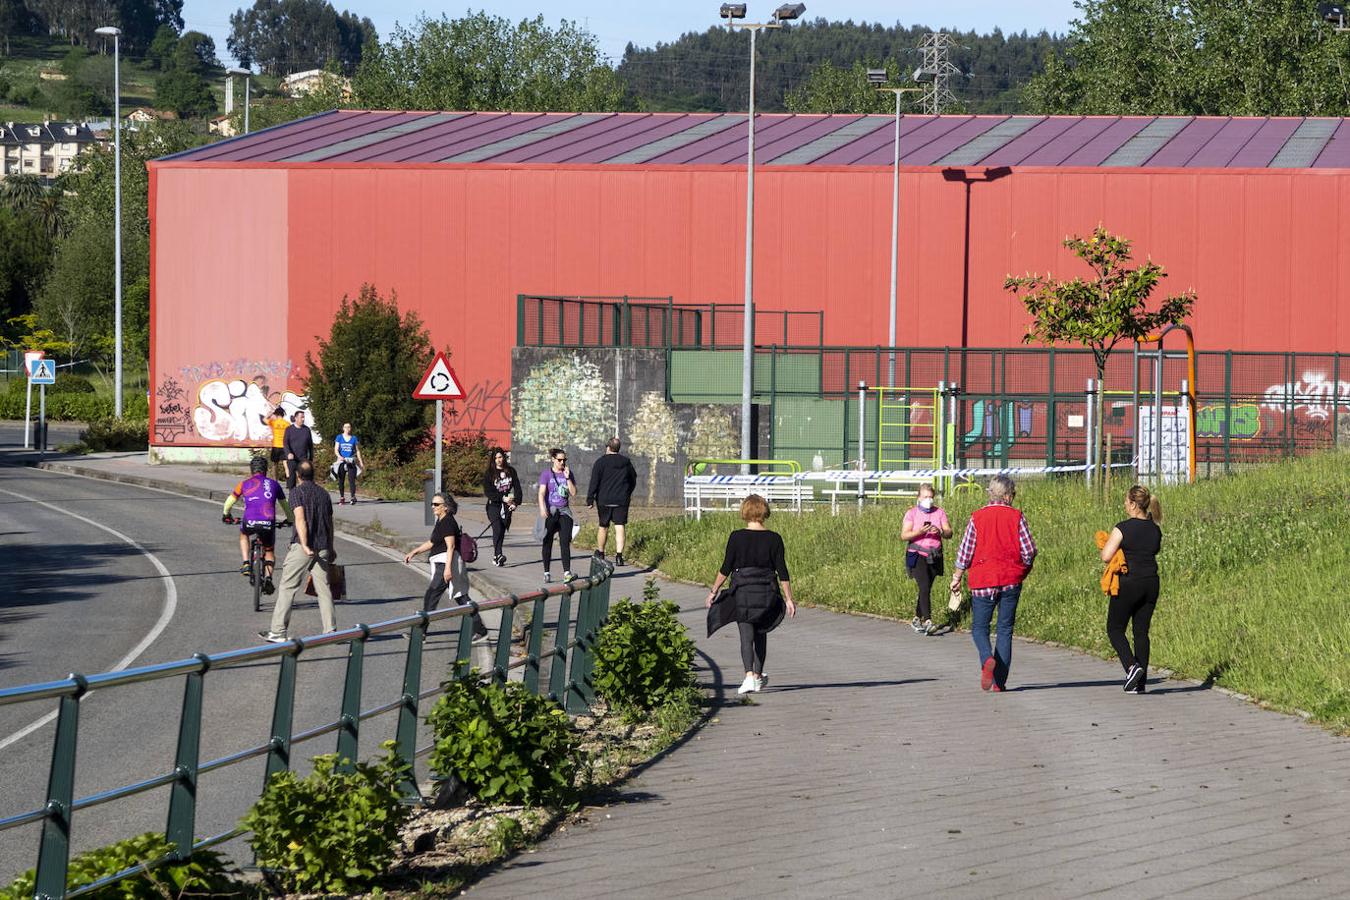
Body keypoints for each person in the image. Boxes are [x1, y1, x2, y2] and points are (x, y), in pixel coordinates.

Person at [950, 475, 1037, 692]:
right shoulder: (1017, 517)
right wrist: (1023, 570)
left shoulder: (977, 517)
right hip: (1010, 579)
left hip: (982, 580)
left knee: (979, 628)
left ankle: (987, 658)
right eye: (1014, 495)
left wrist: (957, 576)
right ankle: (1000, 682)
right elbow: (1029, 551)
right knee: (1005, 630)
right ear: (1008, 495)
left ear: (991, 494)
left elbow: (966, 551)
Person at [704, 494, 798, 696]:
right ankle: (757, 675)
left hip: (743, 592)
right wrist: (789, 598)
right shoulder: (775, 539)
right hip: (766, 592)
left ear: (745, 512)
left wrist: (714, 591)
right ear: (765, 512)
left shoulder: (736, 537)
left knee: (746, 636)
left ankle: (748, 676)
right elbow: (782, 571)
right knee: (761, 633)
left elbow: (726, 568)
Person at [259, 461, 336, 642]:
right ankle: (331, 630)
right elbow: (330, 523)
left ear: (298, 475)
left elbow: (300, 519)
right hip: (323, 546)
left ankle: (278, 632)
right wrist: (331, 547)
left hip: (304, 547)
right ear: (314, 474)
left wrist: (304, 544)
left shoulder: (296, 493)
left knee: (288, 587)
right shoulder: (324, 494)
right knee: (324, 589)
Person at [1099, 485, 1163, 694]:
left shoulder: (1122, 528)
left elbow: (1106, 556)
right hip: (1151, 583)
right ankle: (1141, 683)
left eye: (1126, 501)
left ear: (1134, 504)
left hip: (1129, 582)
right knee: (1141, 632)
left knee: (1115, 628)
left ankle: (1131, 667)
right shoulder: (1155, 528)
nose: (1124, 505)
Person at [405, 494, 487, 640]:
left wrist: (448, 569)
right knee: (461, 597)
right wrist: (414, 551)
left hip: (445, 564)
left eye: (436, 504)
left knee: (431, 596)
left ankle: (420, 633)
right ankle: (480, 629)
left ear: (445, 507)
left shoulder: (447, 522)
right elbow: (432, 542)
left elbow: (451, 546)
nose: (433, 506)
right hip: (445, 563)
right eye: (432, 503)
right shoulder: (442, 521)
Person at [222, 455, 293, 594]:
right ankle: (268, 577)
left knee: (244, 534)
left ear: (251, 470)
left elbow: (229, 502)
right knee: (269, 551)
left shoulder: (244, 484)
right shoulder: (274, 484)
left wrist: (226, 515)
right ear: (265, 470)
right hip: (268, 523)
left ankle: (246, 564)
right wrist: (290, 520)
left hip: (250, 521)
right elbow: (285, 507)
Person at [900, 483, 953, 635]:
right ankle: (928, 620)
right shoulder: (912, 513)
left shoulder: (939, 513)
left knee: (927, 588)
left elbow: (949, 532)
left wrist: (941, 531)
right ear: (918, 498)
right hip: (917, 555)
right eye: (925, 497)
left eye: (930, 497)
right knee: (923, 586)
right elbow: (904, 535)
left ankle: (917, 618)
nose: (928, 500)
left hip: (934, 555)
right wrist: (919, 531)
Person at [587, 437, 638, 567]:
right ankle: (619, 556)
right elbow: (633, 479)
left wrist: (590, 498)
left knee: (603, 526)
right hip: (621, 500)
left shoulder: (600, 462)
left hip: (604, 500)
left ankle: (601, 553)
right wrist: (627, 492)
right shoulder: (626, 462)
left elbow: (594, 481)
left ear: (608, 447)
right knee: (620, 526)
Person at [537, 448, 578, 583]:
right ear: (553, 459)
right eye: (559, 460)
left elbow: (573, 493)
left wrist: (567, 478)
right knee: (547, 540)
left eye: (564, 460)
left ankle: (567, 572)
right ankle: (546, 572)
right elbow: (542, 493)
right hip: (551, 511)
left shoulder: (568, 473)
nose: (562, 462)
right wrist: (543, 508)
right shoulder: (546, 474)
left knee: (564, 541)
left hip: (564, 512)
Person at [483, 448, 521, 568]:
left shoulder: (511, 471)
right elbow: (488, 492)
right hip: (494, 505)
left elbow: (518, 488)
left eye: (500, 457)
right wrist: (501, 498)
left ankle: (496, 556)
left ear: (503, 458)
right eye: (496, 458)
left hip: (507, 506)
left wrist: (516, 503)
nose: (498, 460)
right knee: (497, 528)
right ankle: (499, 554)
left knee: (503, 529)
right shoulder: (489, 473)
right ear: (493, 460)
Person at [333, 422, 365, 505]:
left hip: (351, 461)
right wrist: (339, 456)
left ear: (351, 428)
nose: (347, 429)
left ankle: (352, 497)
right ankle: (342, 497)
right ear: (343, 428)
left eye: (349, 427)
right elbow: (336, 449)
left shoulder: (354, 438)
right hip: (341, 461)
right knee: (341, 480)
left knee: (352, 480)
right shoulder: (339, 437)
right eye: (345, 427)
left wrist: (361, 462)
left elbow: (357, 451)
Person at [282, 410, 314, 491]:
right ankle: (292, 497)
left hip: (303, 459)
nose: (303, 419)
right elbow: (285, 443)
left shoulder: (306, 430)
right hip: (292, 459)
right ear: (296, 418)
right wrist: (288, 453)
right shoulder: (289, 429)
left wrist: (310, 459)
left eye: (303, 417)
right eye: (301, 417)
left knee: (305, 479)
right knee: (292, 479)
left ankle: (305, 496)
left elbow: (310, 445)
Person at [266, 407, 289, 482]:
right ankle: (289, 480)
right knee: (286, 464)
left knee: (274, 464)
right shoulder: (287, 423)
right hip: (284, 446)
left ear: (276, 414)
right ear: (283, 414)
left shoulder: (274, 422)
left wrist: (269, 414)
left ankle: (275, 480)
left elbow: (264, 420)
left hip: (276, 446)